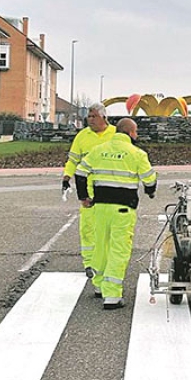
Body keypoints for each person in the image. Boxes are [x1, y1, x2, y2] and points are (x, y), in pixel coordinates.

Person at [75, 118, 157, 310]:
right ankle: (111, 295)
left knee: (101, 246)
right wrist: (150, 192)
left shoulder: (98, 150)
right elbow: (150, 179)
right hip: (123, 209)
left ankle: (99, 286)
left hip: (100, 207)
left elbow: (80, 172)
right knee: (118, 249)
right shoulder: (137, 154)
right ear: (130, 133)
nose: (136, 136)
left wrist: (84, 197)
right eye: (135, 132)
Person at [62, 102, 116, 279]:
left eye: (94, 116)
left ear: (104, 117)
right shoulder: (82, 136)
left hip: (110, 189)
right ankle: (89, 263)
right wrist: (66, 177)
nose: (90, 120)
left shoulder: (115, 134)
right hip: (88, 190)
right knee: (87, 228)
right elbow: (72, 160)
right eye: (89, 117)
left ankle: (106, 263)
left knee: (108, 229)